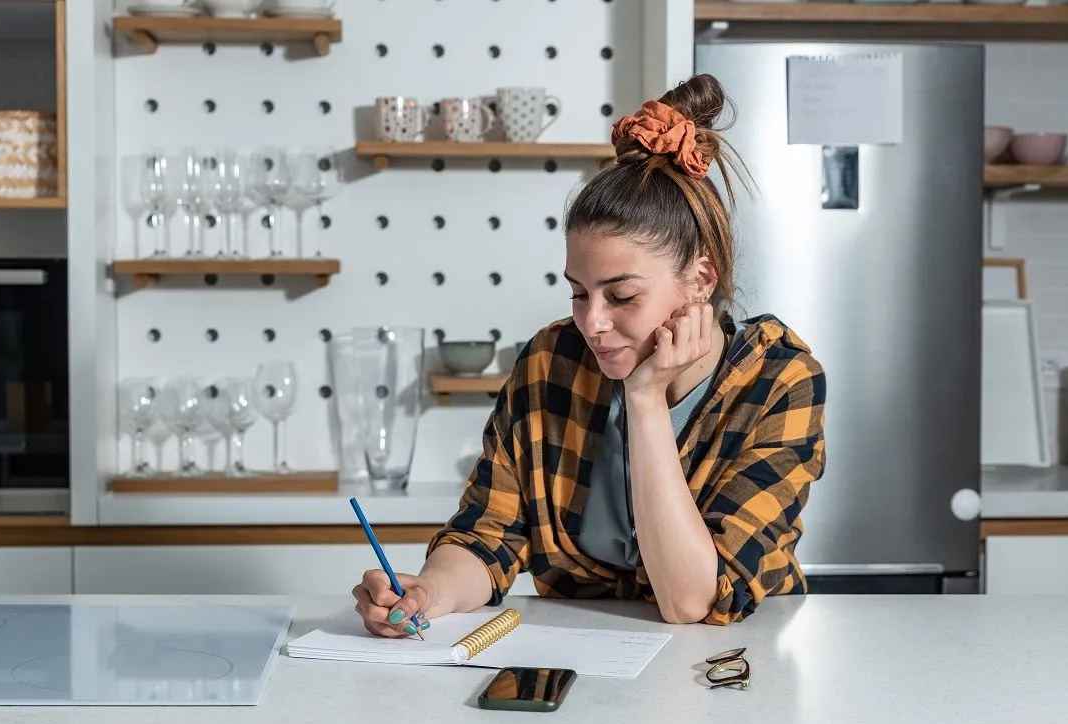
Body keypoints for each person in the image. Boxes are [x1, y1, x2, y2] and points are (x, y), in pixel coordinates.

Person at [352, 73, 827, 634]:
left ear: (702, 276)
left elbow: (691, 601)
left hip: (733, 667)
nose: (593, 322)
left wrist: (645, 398)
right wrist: (429, 591)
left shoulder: (780, 380)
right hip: (587, 662)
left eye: (622, 296)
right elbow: (489, 536)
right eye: (579, 292)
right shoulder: (552, 360)